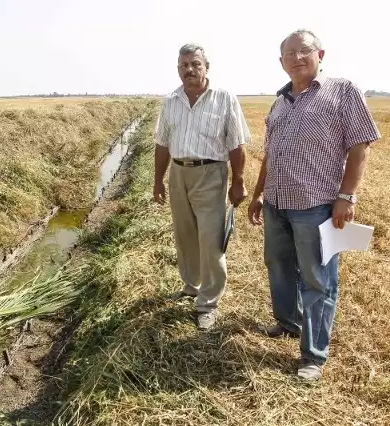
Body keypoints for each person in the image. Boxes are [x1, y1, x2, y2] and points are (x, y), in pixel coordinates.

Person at [248, 29, 381, 380]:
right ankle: (288, 322)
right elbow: (270, 154)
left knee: (317, 280)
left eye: (303, 51)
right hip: (277, 203)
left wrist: (347, 196)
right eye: (288, 54)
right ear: (281, 62)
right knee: (278, 265)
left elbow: (360, 145)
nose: (296, 58)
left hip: (316, 205)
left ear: (320, 54)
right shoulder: (279, 102)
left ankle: (313, 355)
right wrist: (259, 193)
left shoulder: (342, 90)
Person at [154, 43, 251, 330]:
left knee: (210, 240)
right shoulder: (171, 101)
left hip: (211, 173)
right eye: (184, 65)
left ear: (206, 67)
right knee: (185, 236)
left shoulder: (224, 99)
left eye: (195, 64)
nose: (189, 69)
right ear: (178, 69)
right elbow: (162, 144)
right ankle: (191, 285)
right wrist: (158, 180)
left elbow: (237, 144)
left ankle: (208, 303)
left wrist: (239, 182)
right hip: (179, 173)